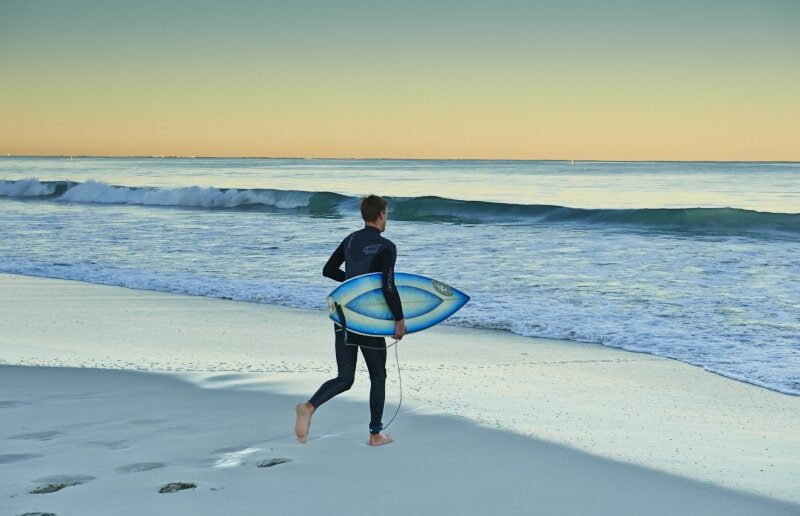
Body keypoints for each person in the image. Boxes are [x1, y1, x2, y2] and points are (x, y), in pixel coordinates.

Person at [295, 195, 406, 446]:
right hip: (366, 317)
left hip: (343, 313)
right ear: (381, 215)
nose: (386, 218)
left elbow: (328, 270)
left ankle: (309, 407)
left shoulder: (351, 239)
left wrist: (354, 283)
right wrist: (399, 320)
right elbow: (388, 287)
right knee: (378, 376)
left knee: (345, 377)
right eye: (386, 214)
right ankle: (375, 434)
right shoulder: (387, 246)